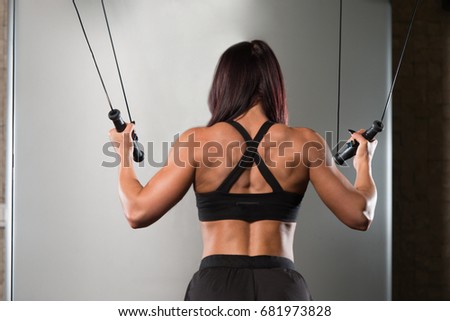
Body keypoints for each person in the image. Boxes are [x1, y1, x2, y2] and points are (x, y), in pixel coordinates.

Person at [108, 40, 377, 301]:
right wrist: (363, 161)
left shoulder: (197, 142)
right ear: (275, 87)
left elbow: (137, 211)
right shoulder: (306, 142)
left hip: (216, 290)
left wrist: (124, 152)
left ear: (224, 86)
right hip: (281, 289)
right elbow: (360, 215)